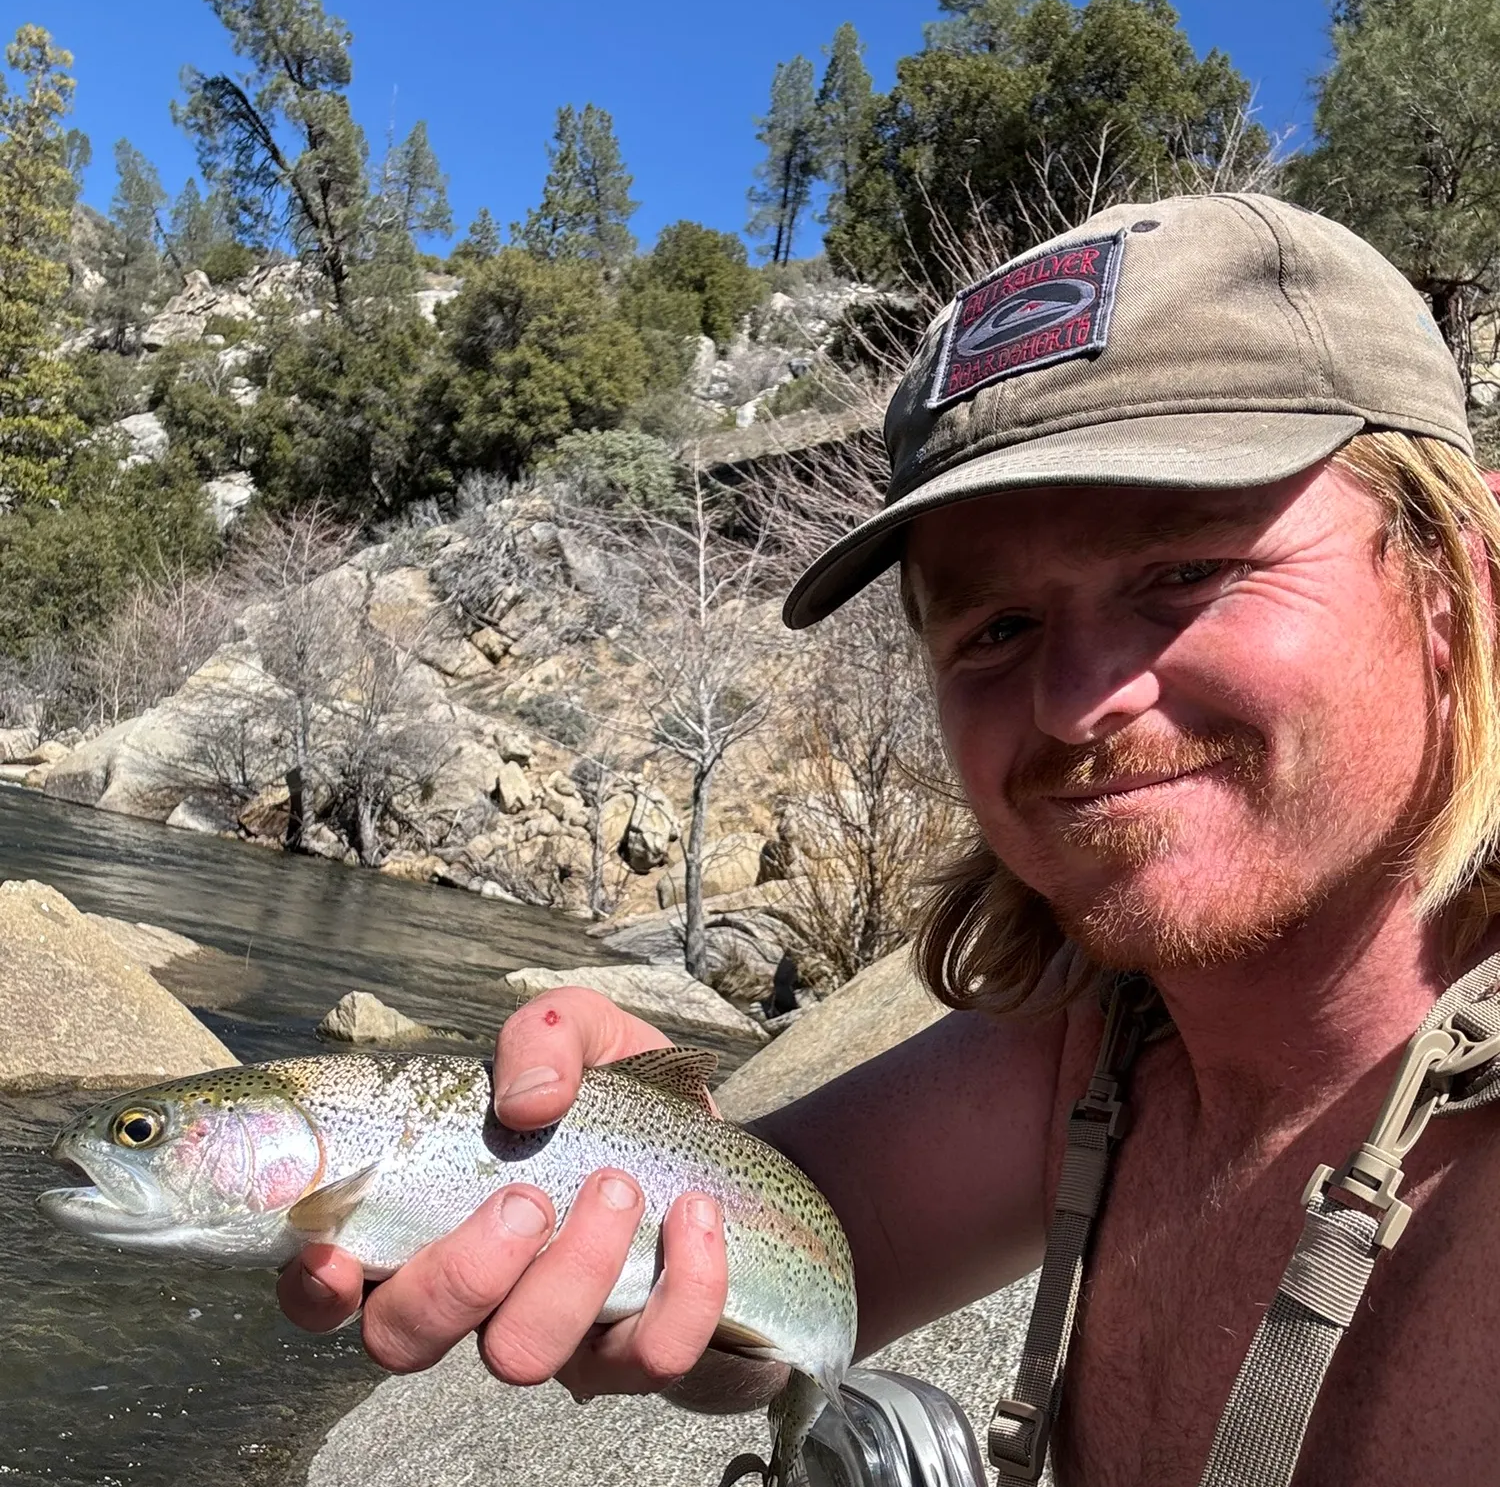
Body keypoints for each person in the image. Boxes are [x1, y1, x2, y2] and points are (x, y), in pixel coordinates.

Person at [279, 193, 1500, 1486]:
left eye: (1186, 573)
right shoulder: (1107, 1042)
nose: (1079, 701)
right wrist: (616, 1195)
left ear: (1461, 579)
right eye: (996, 630)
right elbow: (780, 1287)